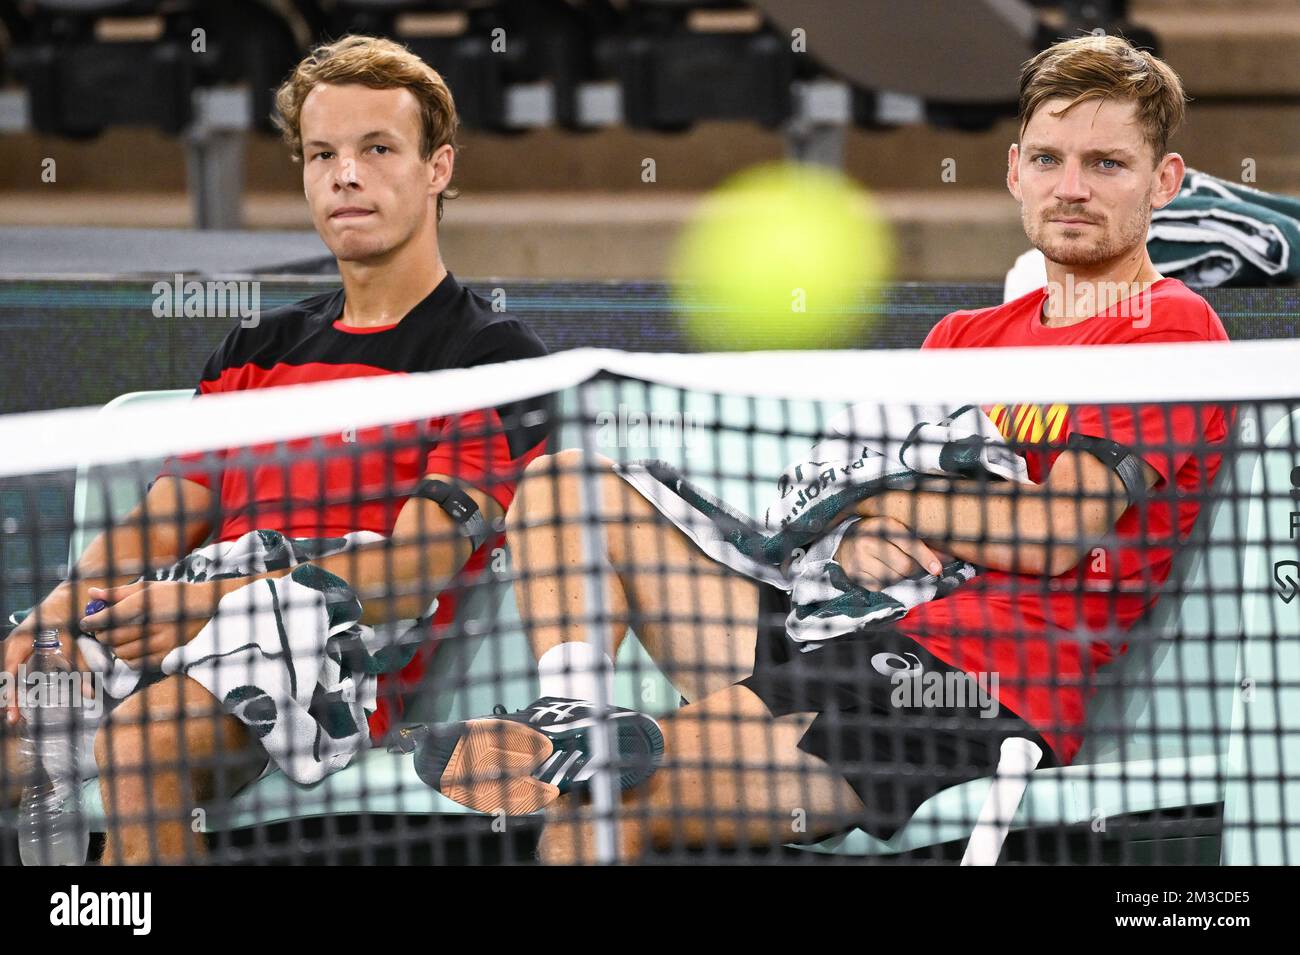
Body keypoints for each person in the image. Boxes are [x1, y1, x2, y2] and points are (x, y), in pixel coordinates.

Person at [417, 33, 1231, 862]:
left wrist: (889, 506)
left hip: (966, 685)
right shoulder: (963, 336)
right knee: (568, 482)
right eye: (1050, 159)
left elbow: (1056, 531)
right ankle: (574, 709)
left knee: (604, 807)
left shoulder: (1168, 327)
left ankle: (583, 755)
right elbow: (875, 494)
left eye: (1106, 164)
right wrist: (864, 531)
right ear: (1015, 170)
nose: (1072, 187)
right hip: (843, 622)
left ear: (1163, 181)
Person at [0, 34, 550, 864]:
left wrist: (211, 606)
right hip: (183, 616)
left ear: (437, 168)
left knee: (141, 743)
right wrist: (48, 620)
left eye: (378, 149)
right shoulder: (255, 347)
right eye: (323, 153)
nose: (346, 175)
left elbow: (410, 569)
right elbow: (158, 525)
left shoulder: (489, 356)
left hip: (327, 648)